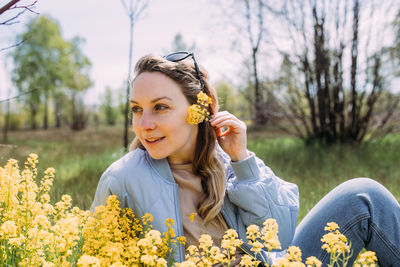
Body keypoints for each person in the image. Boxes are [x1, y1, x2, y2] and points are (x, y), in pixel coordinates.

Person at [90, 52, 400, 266]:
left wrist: (242, 160)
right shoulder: (124, 179)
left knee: (365, 198)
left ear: (200, 109)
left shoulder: (225, 161)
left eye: (160, 107)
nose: (144, 124)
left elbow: (279, 237)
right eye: (136, 109)